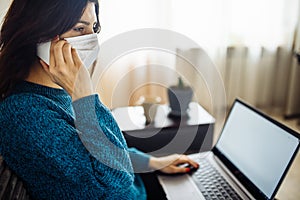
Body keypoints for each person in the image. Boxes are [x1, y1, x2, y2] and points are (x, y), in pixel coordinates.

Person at [0, 0, 199, 199]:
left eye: (94, 28)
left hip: (140, 187)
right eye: (79, 28)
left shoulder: (57, 90)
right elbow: (115, 181)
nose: (92, 40)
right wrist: (85, 96)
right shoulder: (24, 114)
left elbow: (99, 150)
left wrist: (151, 162)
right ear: (40, 34)